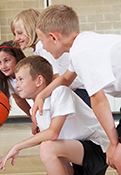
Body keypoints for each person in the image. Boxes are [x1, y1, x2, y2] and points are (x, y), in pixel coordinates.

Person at [33, 4, 121, 172]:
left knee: (117, 156)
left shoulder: (82, 52)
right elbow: (66, 78)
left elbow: (99, 101)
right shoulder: (81, 44)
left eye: (42, 41)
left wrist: (113, 142)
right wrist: (42, 95)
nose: (42, 47)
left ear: (54, 37)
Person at [0, 55, 109, 175]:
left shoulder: (60, 92)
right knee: (47, 144)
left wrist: (17, 146)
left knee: (47, 146)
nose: (16, 85)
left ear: (39, 81)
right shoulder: (34, 110)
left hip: (98, 149)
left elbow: (53, 133)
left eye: (21, 79)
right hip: (75, 155)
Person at [11, 8, 91, 107]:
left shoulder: (42, 46)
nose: (16, 38)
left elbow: (55, 76)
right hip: (72, 90)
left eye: (20, 33)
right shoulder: (37, 48)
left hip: (79, 92)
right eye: (15, 34)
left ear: (31, 29)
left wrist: (42, 96)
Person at [0, 41, 39, 134]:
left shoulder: (29, 73)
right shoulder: (9, 79)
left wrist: (36, 119)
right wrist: (33, 118)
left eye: (7, 60)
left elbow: (38, 97)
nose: (3, 66)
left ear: (17, 58)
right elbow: (19, 100)